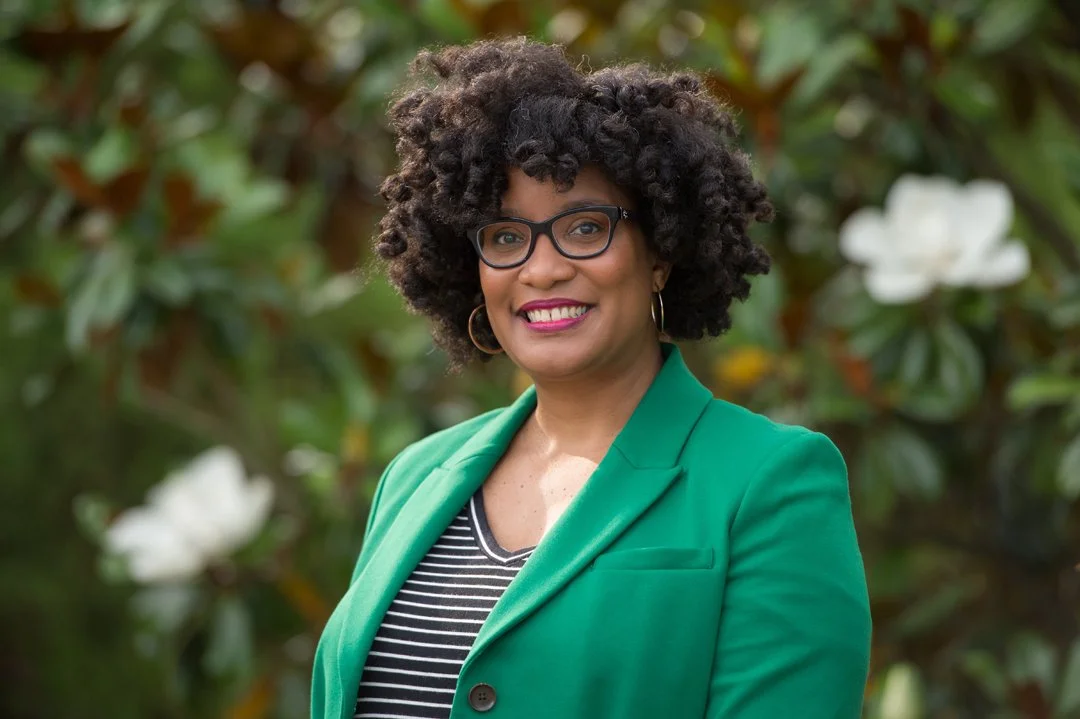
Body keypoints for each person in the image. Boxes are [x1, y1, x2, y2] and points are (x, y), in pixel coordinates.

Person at [312, 38, 871, 719]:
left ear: (660, 252)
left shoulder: (772, 482)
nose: (541, 269)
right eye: (506, 236)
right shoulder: (414, 476)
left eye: (583, 227)